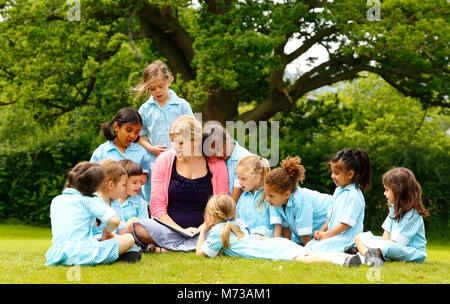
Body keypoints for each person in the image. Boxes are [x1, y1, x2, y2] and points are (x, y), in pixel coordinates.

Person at [130, 115, 229, 253]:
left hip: (206, 228)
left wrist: (202, 228)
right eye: (172, 142)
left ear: (197, 141)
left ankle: (169, 249)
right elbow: (157, 207)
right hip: (169, 229)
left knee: (229, 228)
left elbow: (221, 205)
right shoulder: (164, 160)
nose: (175, 147)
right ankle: (191, 246)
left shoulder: (216, 164)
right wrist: (181, 230)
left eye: (181, 143)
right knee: (137, 227)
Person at [196, 195, 362, 267]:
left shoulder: (219, 231)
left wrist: (203, 231)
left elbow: (200, 254)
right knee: (307, 255)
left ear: (212, 215)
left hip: (269, 248)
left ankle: (341, 261)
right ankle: (356, 258)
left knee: (304, 259)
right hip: (275, 242)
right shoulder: (234, 227)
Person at [45, 162, 135, 266]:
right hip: (82, 253)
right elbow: (115, 220)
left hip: (57, 254)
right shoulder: (89, 201)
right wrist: (106, 234)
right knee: (129, 239)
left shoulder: (56, 200)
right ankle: (111, 257)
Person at [133, 60, 194, 201]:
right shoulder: (145, 109)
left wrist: (180, 149)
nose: (157, 91)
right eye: (152, 89)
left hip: (180, 158)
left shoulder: (182, 105)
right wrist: (151, 148)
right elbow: (140, 136)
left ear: (169, 80)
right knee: (157, 196)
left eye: (161, 86)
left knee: (178, 194)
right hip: (155, 159)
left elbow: (192, 132)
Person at [353, 167, 429, 266]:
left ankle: (364, 254)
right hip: (390, 244)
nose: (384, 193)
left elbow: (398, 243)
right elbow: (387, 232)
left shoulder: (413, 215)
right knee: (360, 237)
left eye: (387, 190)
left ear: (398, 192)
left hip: (411, 251)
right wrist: (380, 245)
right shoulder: (394, 209)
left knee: (388, 247)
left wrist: (381, 246)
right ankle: (368, 254)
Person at [305, 148, 372, 253]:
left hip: (346, 238)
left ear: (350, 174)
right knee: (310, 245)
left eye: (336, 173)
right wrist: (321, 231)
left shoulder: (354, 195)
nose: (332, 176)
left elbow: (346, 224)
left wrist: (328, 234)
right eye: (332, 172)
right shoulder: (338, 191)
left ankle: (352, 251)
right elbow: (330, 217)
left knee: (318, 249)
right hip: (334, 236)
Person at [264, 156, 332, 246]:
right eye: (266, 194)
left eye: (271, 195)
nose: (267, 199)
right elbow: (286, 229)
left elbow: (305, 235)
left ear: (287, 194)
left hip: (333, 220)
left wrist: (307, 252)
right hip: (311, 235)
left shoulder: (300, 201)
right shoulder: (277, 202)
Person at [90, 108, 150, 201]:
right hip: (108, 204)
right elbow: (92, 181)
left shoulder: (141, 152)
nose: (132, 136)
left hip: (134, 204)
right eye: (129, 130)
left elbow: (144, 177)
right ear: (116, 127)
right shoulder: (102, 152)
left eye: (137, 132)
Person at [202, 122, 251, 202]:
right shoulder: (219, 159)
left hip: (239, 207)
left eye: (218, 148)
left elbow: (237, 188)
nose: (217, 154)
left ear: (227, 139)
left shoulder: (242, 158)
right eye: (212, 152)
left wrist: (226, 211)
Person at [234, 154, 275, 237]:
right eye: (239, 178)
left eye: (243, 179)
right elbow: (237, 219)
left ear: (258, 177)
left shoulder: (269, 196)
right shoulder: (243, 196)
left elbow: (276, 225)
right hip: (245, 238)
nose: (239, 183)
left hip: (265, 239)